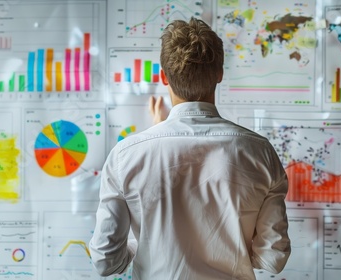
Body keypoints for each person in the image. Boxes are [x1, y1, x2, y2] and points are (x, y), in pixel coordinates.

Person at [89, 17, 291, 279]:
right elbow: (273, 259)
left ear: (164, 77)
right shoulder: (260, 152)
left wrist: (145, 242)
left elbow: (105, 262)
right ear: (220, 73)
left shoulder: (125, 157)